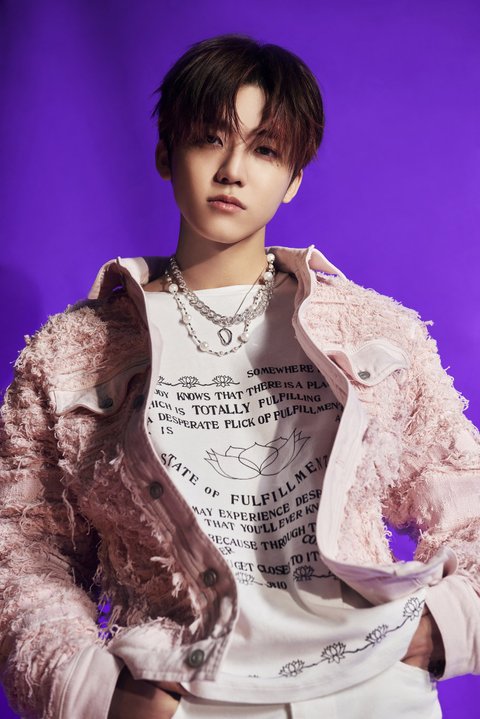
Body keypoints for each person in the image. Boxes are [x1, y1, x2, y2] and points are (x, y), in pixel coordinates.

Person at [1, 33, 479, 719]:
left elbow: (468, 497)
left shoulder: (370, 331)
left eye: (265, 149)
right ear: (165, 152)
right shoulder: (73, 351)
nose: (232, 170)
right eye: (210, 139)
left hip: (372, 688)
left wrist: (446, 627)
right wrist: (95, 693)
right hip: (187, 697)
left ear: (294, 179)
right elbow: (22, 551)